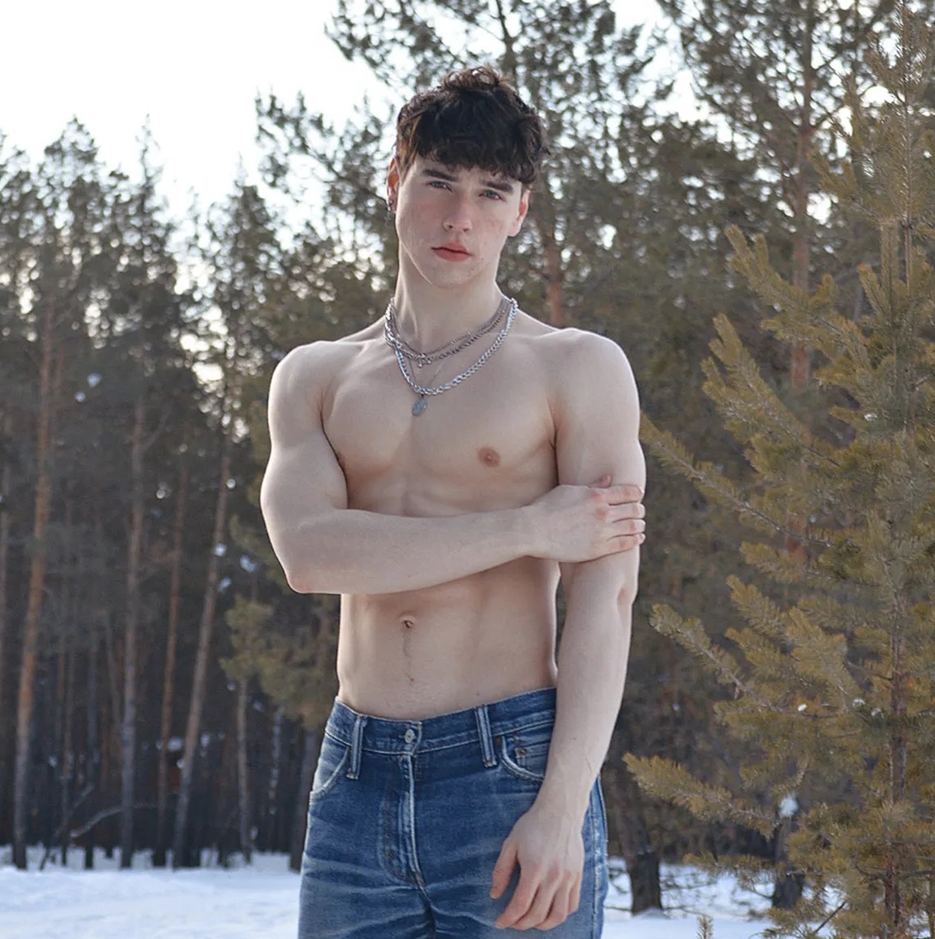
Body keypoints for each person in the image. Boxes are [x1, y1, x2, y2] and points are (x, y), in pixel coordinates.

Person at [260, 66, 646, 937]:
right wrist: (528, 527)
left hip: (511, 768)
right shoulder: (315, 377)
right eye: (438, 182)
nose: (459, 217)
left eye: (490, 192)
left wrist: (562, 807)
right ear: (395, 181)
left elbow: (606, 600)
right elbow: (309, 555)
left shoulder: (576, 367)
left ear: (521, 211)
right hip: (354, 777)